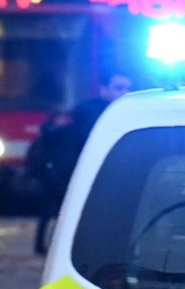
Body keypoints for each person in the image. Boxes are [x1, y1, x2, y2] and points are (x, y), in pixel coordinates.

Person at [30, 72, 132, 254]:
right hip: (68, 172)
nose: (124, 93)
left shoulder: (118, 111)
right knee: (66, 212)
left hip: (71, 171)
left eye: (127, 88)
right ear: (103, 89)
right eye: (118, 88)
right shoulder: (92, 111)